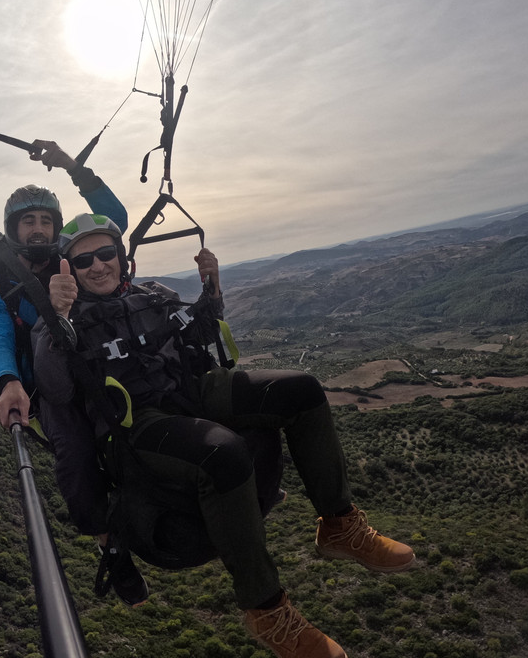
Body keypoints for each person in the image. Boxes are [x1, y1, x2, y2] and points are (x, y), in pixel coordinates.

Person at [32, 213, 417, 658]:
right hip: (139, 422)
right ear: (70, 271)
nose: (98, 266)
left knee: (302, 390)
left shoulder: (152, 295)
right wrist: (58, 315)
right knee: (225, 453)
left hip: (190, 389)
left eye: (106, 254)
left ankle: (340, 524)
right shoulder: (62, 323)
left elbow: (199, 333)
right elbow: (55, 388)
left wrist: (211, 290)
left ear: (122, 257)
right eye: (84, 261)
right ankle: (267, 609)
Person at [0, 142, 146, 605]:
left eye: (46, 220)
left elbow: (114, 220)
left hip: (107, 355)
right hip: (54, 383)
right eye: (28, 221)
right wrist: (7, 380)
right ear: (13, 229)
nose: (39, 228)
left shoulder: (73, 253)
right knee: (75, 458)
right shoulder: (0, 277)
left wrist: (73, 167)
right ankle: (112, 549)